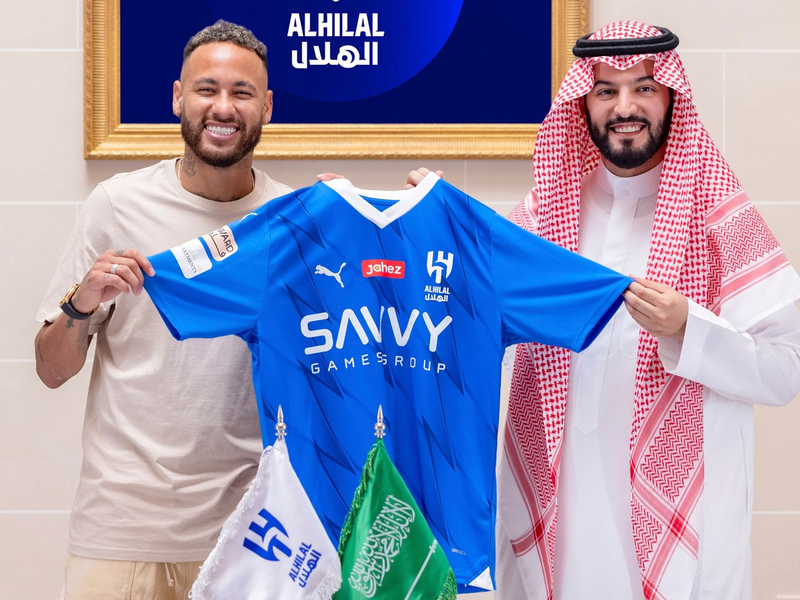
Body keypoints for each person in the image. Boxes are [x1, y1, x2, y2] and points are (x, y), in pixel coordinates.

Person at [34, 20, 422, 599]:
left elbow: (375, 337)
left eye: (242, 93)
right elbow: (50, 369)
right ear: (177, 98)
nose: (223, 107)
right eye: (206, 89)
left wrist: (368, 224)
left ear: (266, 107)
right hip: (121, 534)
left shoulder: (296, 222)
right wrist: (82, 303)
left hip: (259, 534)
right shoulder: (115, 205)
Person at [496, 21, 800, 600]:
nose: (624, 106)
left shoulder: (718, 216)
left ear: (670, 98)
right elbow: (466, 307)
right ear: (584, 104)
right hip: (557, 511)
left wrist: (691, 328)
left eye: (643, 87)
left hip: (680, 519)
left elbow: (787, 369)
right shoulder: (543, 216)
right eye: (607, 90)